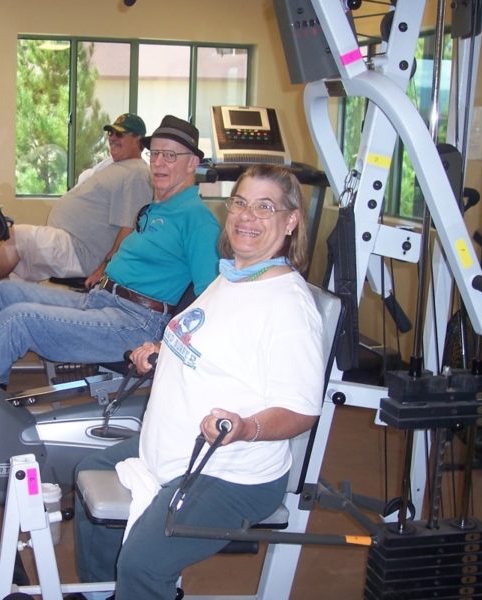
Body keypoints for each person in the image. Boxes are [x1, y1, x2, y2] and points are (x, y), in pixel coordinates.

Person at [0, 115, 221, 446]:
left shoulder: (197, 220)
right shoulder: (157, 209)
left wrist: (167, 346)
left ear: (192, 164)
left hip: (134, 323)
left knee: (20, 320)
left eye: (171, 156)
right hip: (103, 301)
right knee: (6, 292)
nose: (159, 163)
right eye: (155, 153)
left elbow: (210, 297)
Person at [71, 164, 326, 600]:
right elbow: (209, 342)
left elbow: (302, 410)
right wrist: (160, 349)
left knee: (143, 564)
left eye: (265, 207)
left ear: (290, 220)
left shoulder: (287, 306)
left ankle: (134, 586)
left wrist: (245, 427)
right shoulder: (233, 276)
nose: (247, 216)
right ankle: (104, 592)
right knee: (90, 467)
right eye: (241, 203)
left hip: (229, 472)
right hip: (173, 445)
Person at [0, 113, 152, 315]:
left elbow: (128, 229)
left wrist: (104, 268)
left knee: (17, 237)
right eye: (110, 133)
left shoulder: (137, 173)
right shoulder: (116, 166)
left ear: (137, 138)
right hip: (70, 243)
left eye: (119, 134)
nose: (112, 138)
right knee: (8, 280)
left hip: (80, 250)